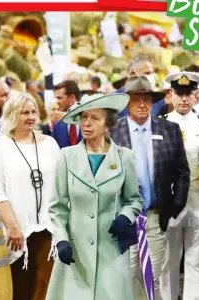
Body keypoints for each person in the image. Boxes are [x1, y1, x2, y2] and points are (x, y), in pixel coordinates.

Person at [45, 93, 143, 300]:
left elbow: (134, 200)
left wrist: (126, 216)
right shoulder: (66, 156)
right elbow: (58, 207)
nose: (87, 123)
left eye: (95, 118)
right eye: (84, 117)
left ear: (107, 125)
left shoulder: (125, 157)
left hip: (112, 250)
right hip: (75, 252)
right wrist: (61, 241)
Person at [110, 75, 190, 300]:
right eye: (136, 100)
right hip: (123, 216)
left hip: (155, 215)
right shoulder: (112, 132)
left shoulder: (169, 129)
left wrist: (174, 206)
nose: (142, 105)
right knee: (127, 272)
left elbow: (182, 172)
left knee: (153, 274)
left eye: (146, 99)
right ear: (126, 103)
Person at [0, 93, 61, 300]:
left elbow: (62, 184)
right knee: (21, 289)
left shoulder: (50, 144)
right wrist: (12, 225)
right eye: (24, 112)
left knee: (47, 288)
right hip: (16, 232)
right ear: (12, 115)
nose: (31, 117)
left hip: (49, 229)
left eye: (34, 112)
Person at [159, 72, 199, 300]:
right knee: (168, 265)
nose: (183, 99)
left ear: (196, 96)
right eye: (179, 94)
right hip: (169, 205)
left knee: (197, 264)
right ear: (170, 96)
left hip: (198, 202)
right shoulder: (160, 126)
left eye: (188, 94)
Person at [49, 80, 82, 148]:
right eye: (56, 98)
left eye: (59, 98)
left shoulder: (89, 120)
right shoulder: (57, 126)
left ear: (72, 97)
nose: (57, 102)